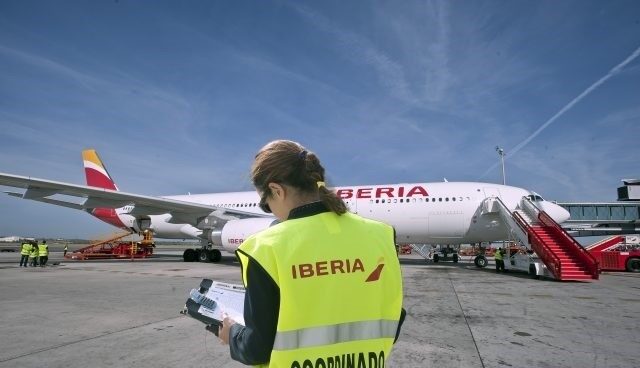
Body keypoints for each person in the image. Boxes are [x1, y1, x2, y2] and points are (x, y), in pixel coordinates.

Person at [218, 140, 405, 367]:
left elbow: (257, 349)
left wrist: (233, 335)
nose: (270, 211)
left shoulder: (265, 248)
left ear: (277, 190)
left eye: (266, 203)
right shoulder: (381, 235)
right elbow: (394, 316)